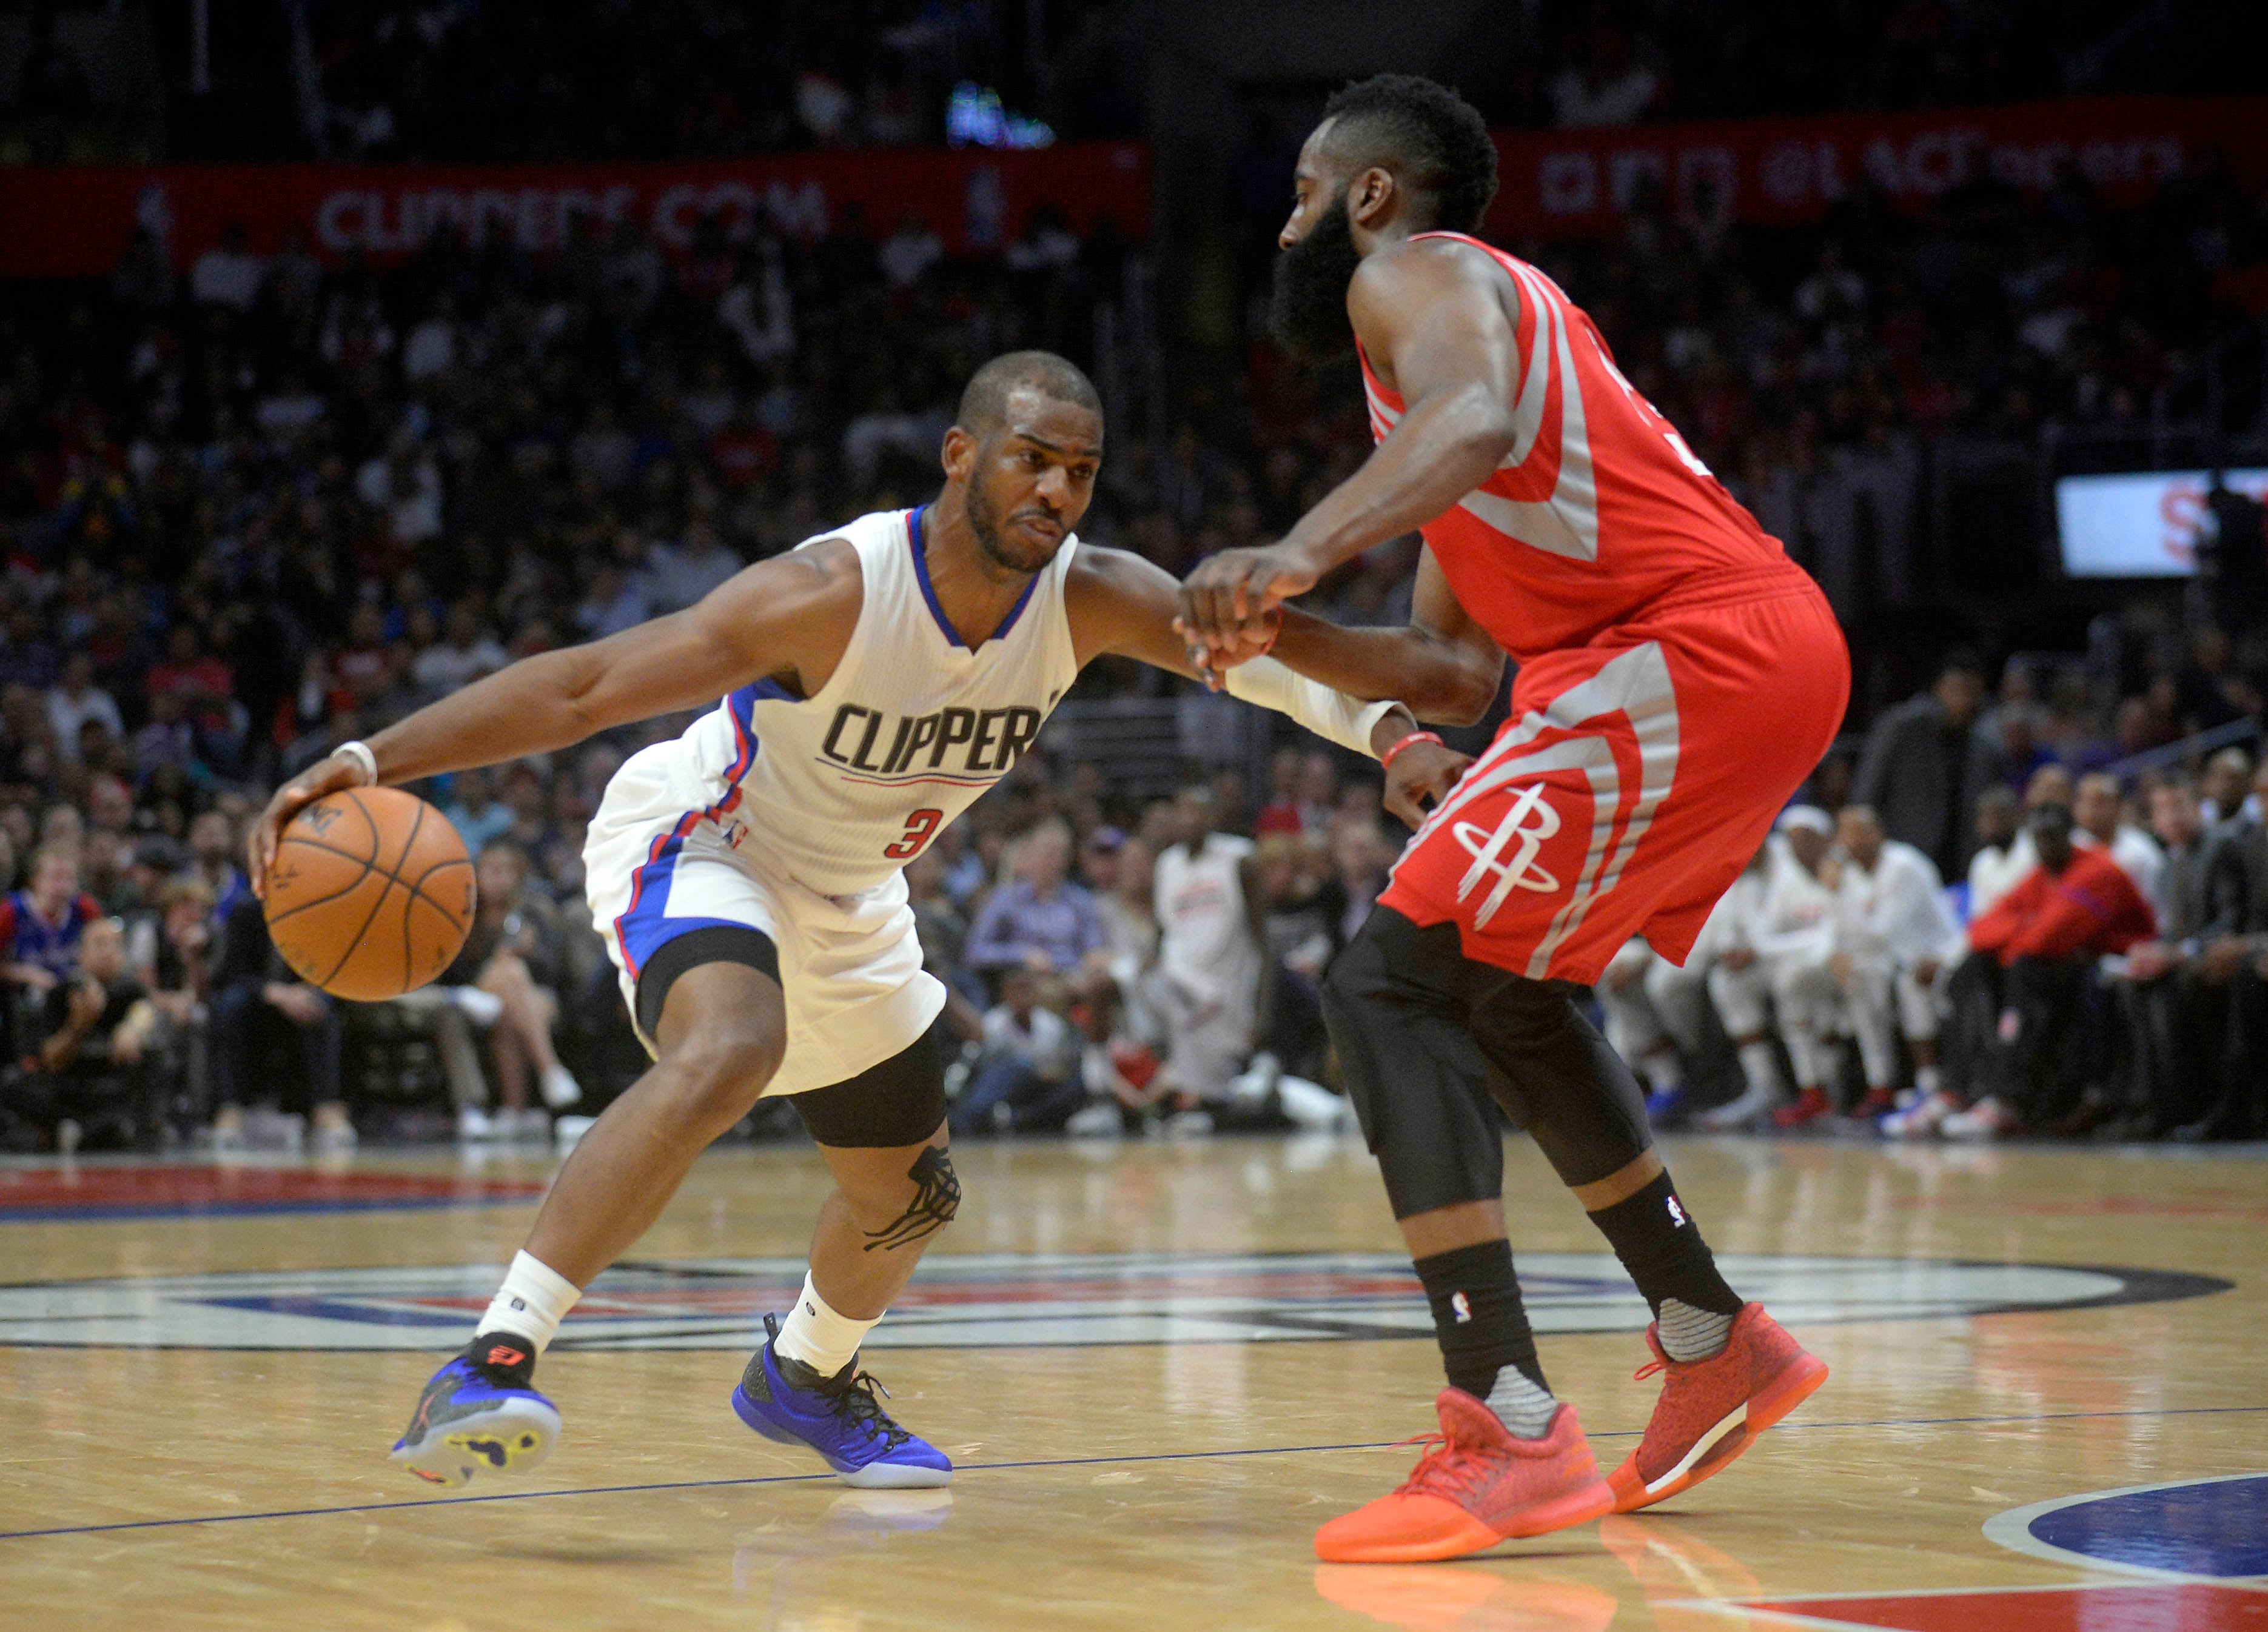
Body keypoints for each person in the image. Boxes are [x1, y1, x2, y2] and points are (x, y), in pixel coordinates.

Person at [250, 350, 1421, 1494]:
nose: (1057, 491)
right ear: (961, 456)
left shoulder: (1091, 594)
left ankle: (804, 1375)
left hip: (856, 888)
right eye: (1031, 460)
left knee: (912, 1195)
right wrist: (365, 758)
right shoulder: (832, 593)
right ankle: (491, 1357)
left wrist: (1390, 735)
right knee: (731, 1045)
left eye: (1082, 469)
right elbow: (585, 688)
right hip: (710, 840)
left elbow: (1253, 660)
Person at [1175, 75, 1846, 1559]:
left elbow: (1473, 422)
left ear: (1365, 196)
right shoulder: (1446, 365)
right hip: (1704, 652)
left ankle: (1508, 1416)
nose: (1285, 223)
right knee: (1505, 996)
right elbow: (1451, 670)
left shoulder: (1417, 277)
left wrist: (1289, 552)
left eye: (1299, 193)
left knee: (1384, 978)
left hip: (1691, 645)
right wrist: (1269, 636)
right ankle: (1708, 1332)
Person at [1939, 802, 2156, 1140]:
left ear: (2070, 836)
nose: (2046, 847)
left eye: (2053, 838)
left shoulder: (2099, 871)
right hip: (2062, 961)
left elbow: (2048, 938)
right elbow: (1981, 929)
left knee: (2026, 972)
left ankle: (2011, 1099)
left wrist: (2023, 932)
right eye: (2039, 839)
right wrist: (2025, 929)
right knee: (1973, 967)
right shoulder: (2044, 873)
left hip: (2117, 962)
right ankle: (1959, 1088)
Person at [1833, 804, 1964, 1127]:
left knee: (1909, 983)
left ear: (1879, 833)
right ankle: (1880, 1085)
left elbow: (1885, 932)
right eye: (1847, 833)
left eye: (1861, 832)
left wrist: (1836, 894)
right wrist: (1840, 955)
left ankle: (1929, 1084)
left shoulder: (1903, 865)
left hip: (1940, 955)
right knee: (1855, 978)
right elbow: (1841, 930)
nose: (1854, 841)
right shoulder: (1850, 874)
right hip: (1894, 959)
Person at [209, 892, 354, 1152]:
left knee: (322, 1006)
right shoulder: (246, 911)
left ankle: (326, 1106)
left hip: (301, 994)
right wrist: (275, 993)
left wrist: (307, 991)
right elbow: (231, 972)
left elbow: (329, 966)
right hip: (258, 996)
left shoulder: (316, 909)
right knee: (231, 1004)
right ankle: (230, 1108)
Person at [1851, 652, 1999, 881]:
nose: (1965, 699)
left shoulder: (1986, 748)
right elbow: (1867, 791)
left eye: (1972, 692)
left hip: (1960, 864)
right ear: (1939, 688)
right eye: (1958, 689)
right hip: (1901, 854)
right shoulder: (1902, 727)